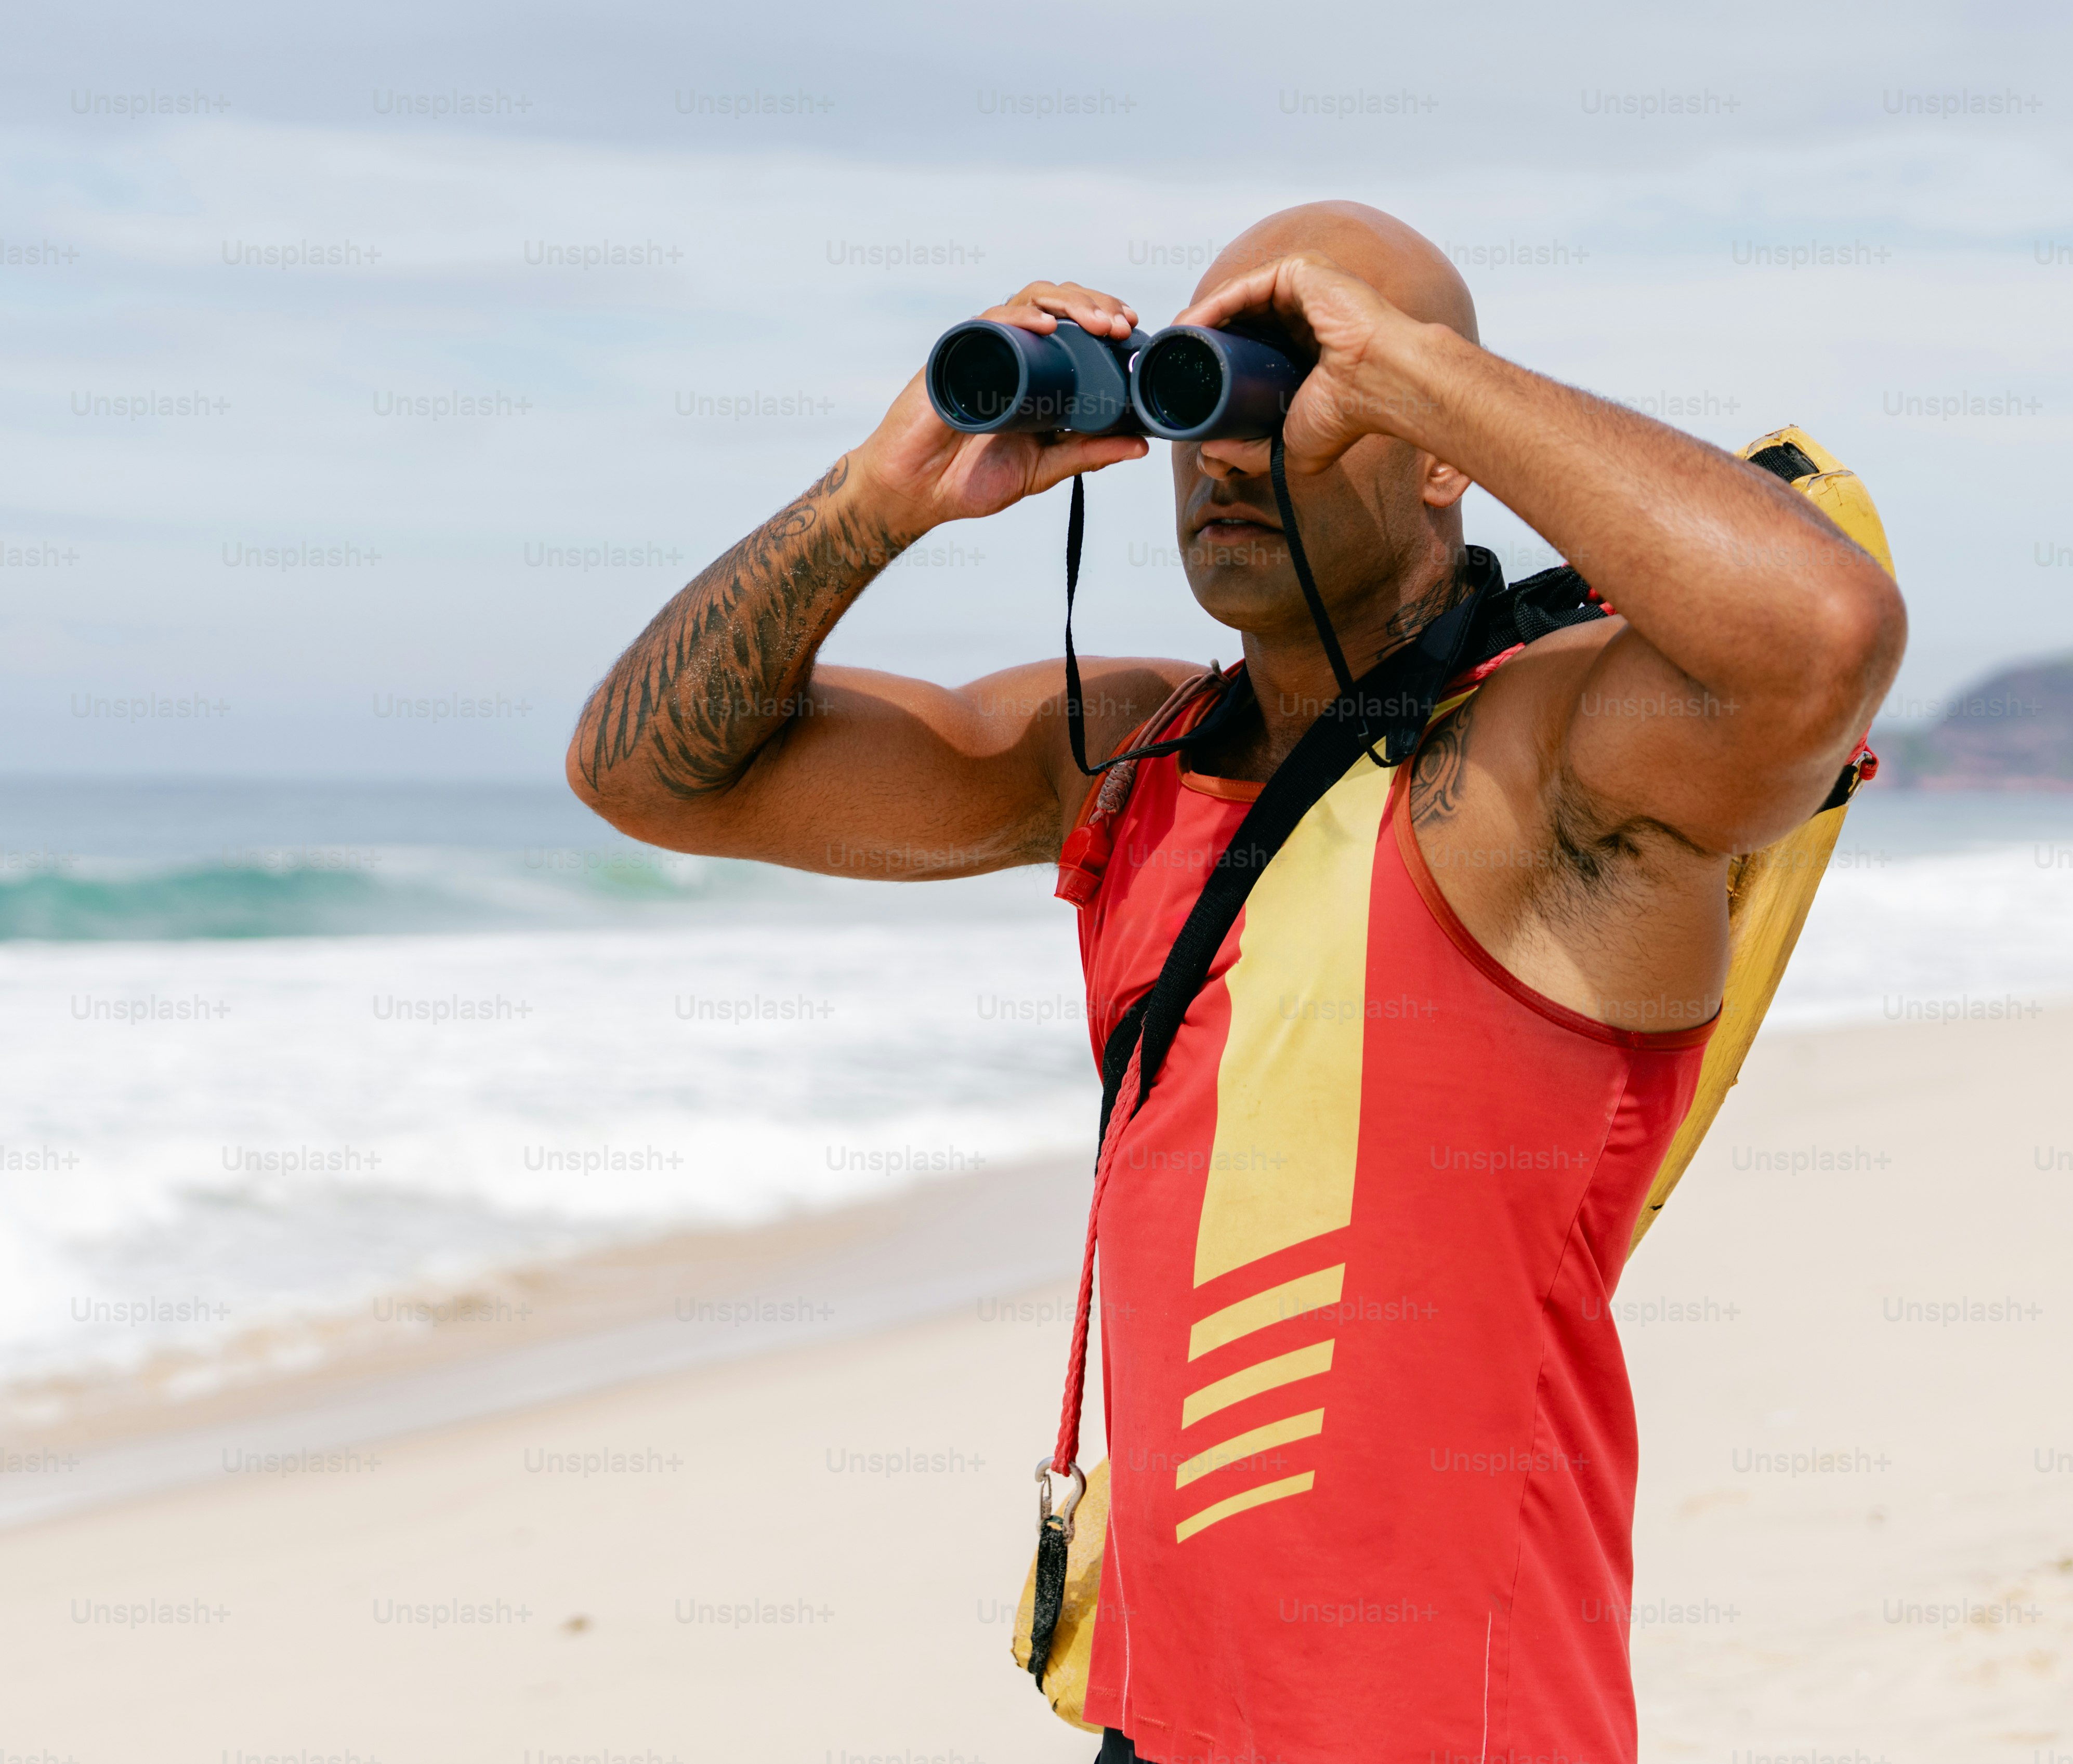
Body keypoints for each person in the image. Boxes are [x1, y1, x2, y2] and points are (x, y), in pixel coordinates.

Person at [566, 200, 1905, 1762]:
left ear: (1436, 449)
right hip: (1164, 1718)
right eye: (1198, 394)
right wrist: (878, 496)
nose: (1226, 452)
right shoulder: (1123, 759)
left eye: (1283, 391)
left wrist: (1402, 365)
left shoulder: (1546, 764)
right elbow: (649, 775)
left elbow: (1817, 636)